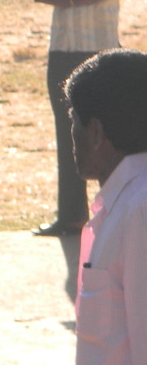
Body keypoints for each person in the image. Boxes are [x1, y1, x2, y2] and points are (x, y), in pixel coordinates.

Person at [32, 0, 132, 237]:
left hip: (100, 53)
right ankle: (72, 216)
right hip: (62, 51)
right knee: (68, 135)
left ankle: (117, 214)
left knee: (111, 137)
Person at [63, 48, 147, 365]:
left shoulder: (139, 210)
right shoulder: (122, 202)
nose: (71, 134)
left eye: (73, 120)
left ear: (96, 132)